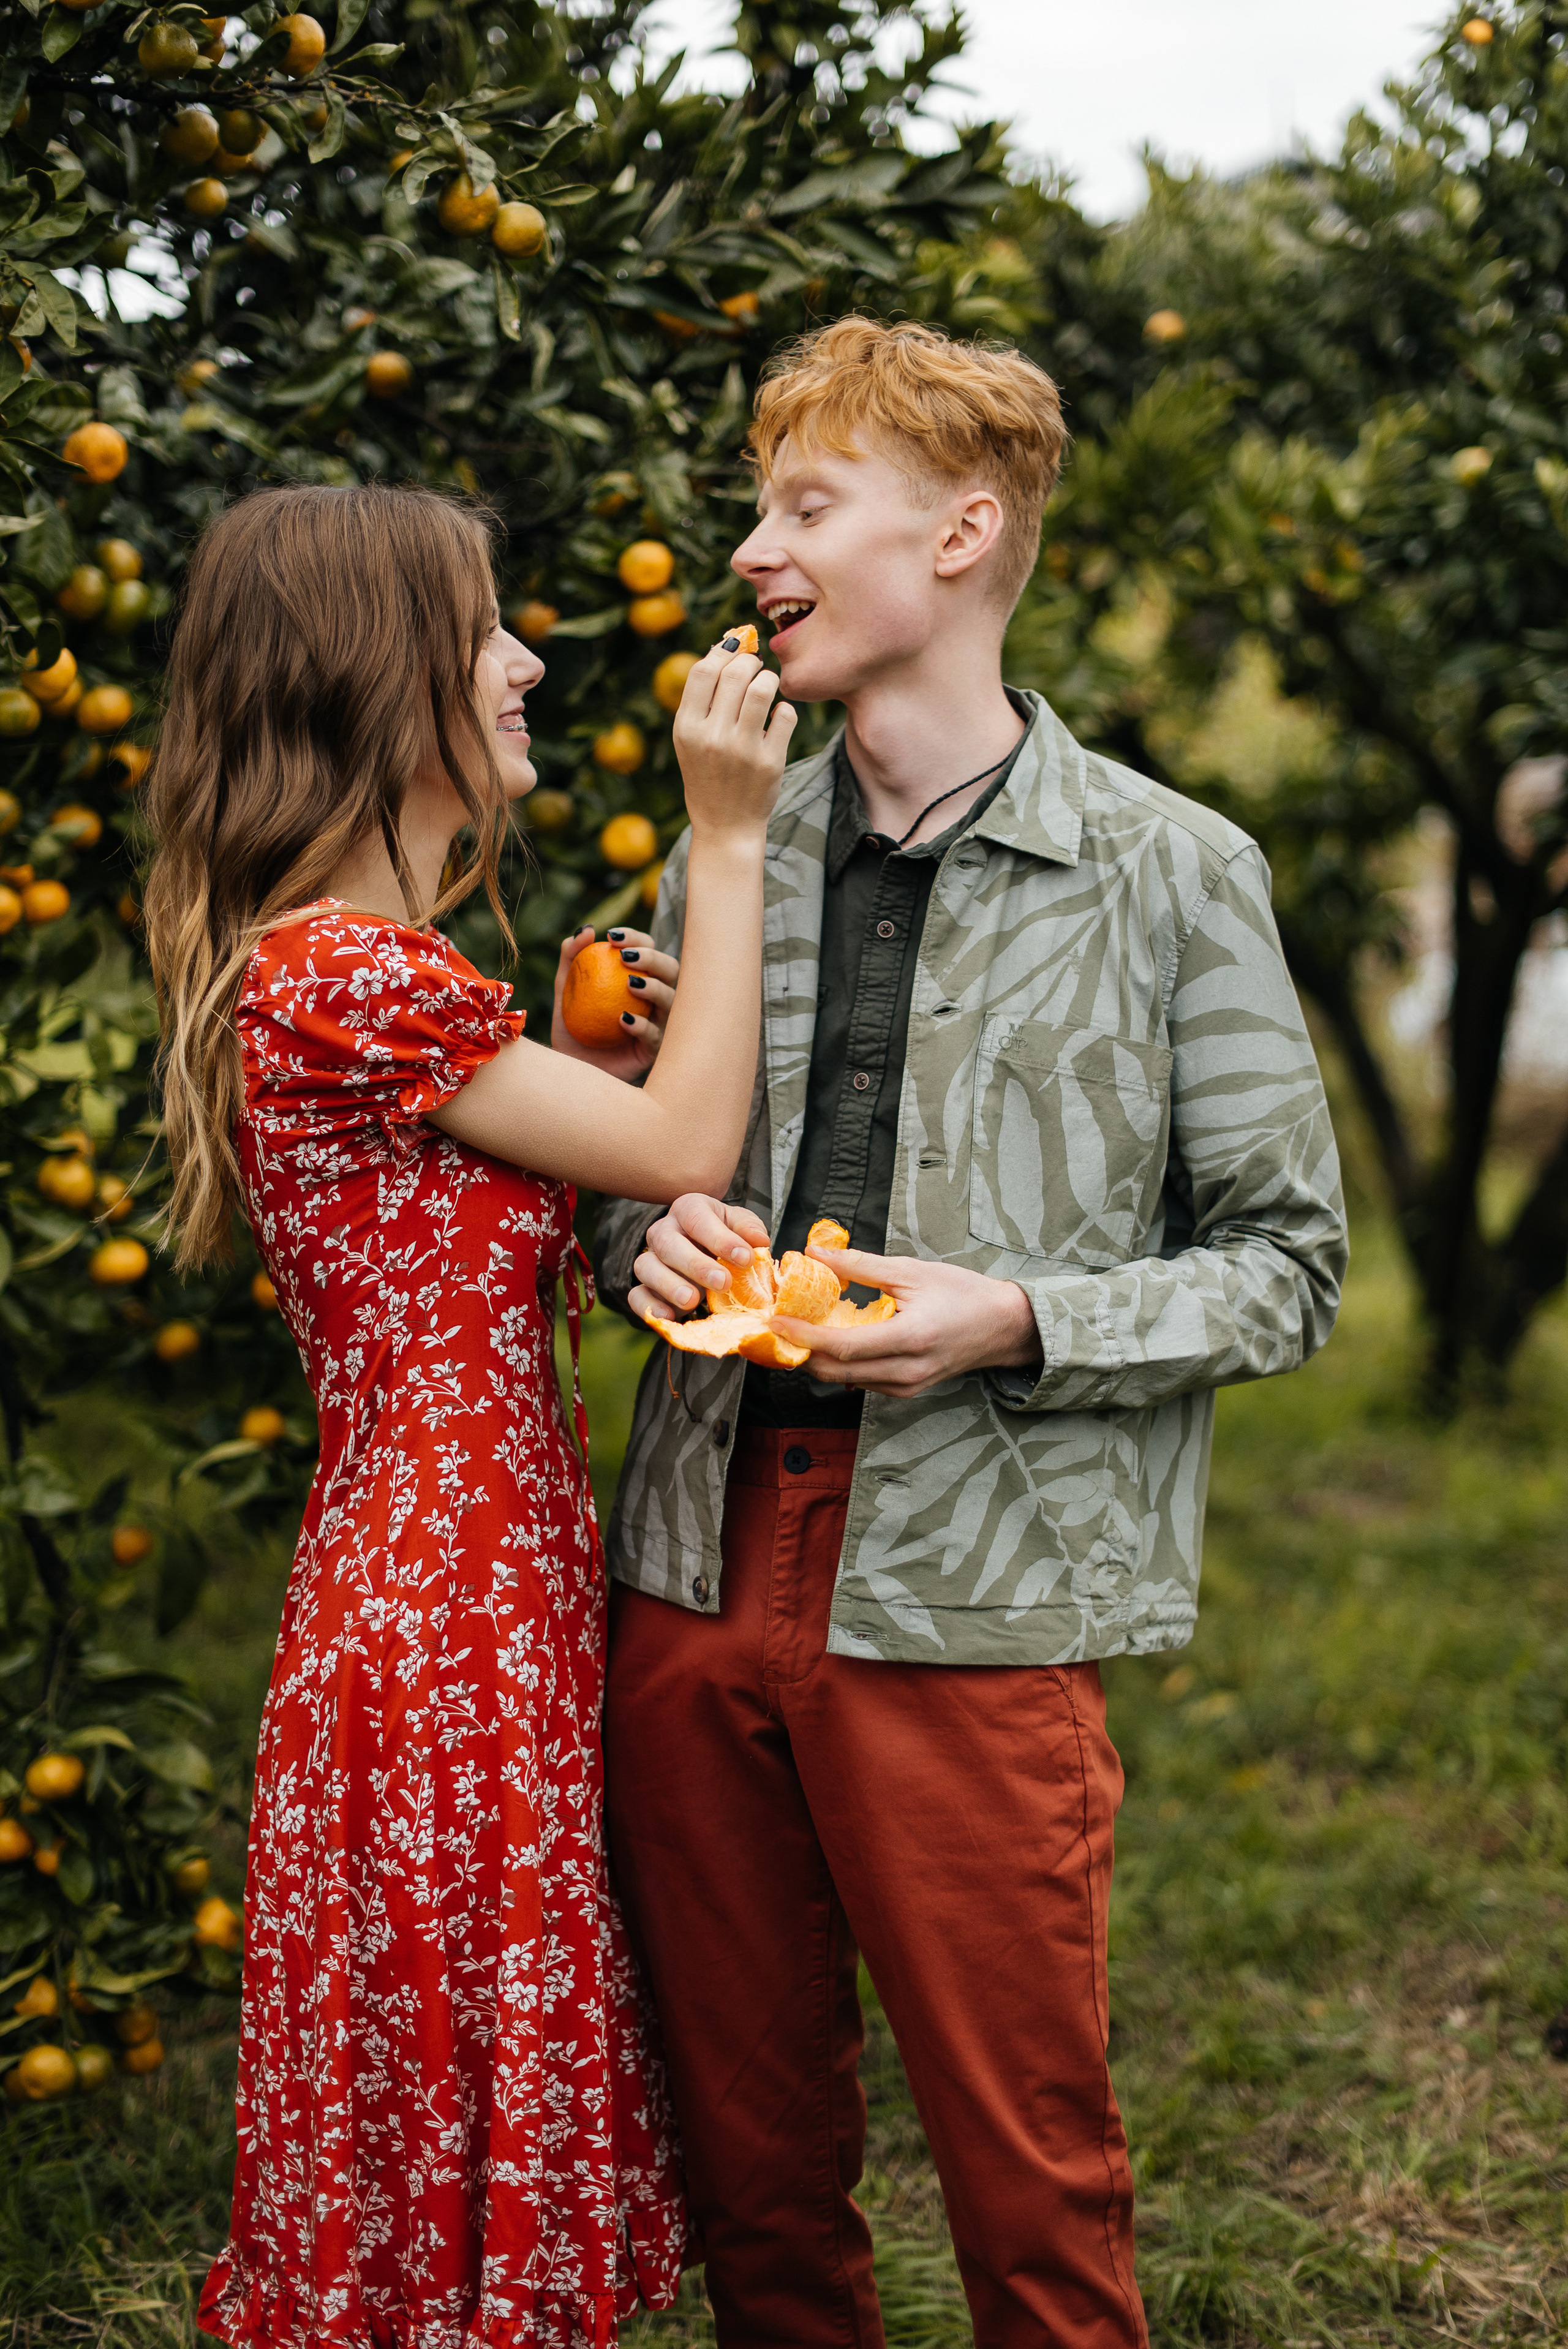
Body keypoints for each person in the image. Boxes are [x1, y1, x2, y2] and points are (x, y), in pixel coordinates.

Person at [594, 318, 1349, 2348]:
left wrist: (1013, 1313)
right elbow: (627, 1164)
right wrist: (635, 1245)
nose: (754, 547)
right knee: (754, 2189)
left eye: (805, 506)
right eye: (759, 504)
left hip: (981, 1598)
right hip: (688, 1562)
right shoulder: (726, 846)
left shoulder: (1178, 875)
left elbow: (1288, 1263)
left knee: (1032, 2196)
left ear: (962, 530)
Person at [140, 481, 794, 2349]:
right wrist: (727, 842)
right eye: (487, 629)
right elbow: (689, 1149)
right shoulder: (353, 973)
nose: (525, 661)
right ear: (379, 675)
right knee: (454, 2099)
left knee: (445, 2097)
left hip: (453, 1604)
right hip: (443, 1630)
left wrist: (565, 1071)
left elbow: (476, 1213)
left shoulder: (372, 980)